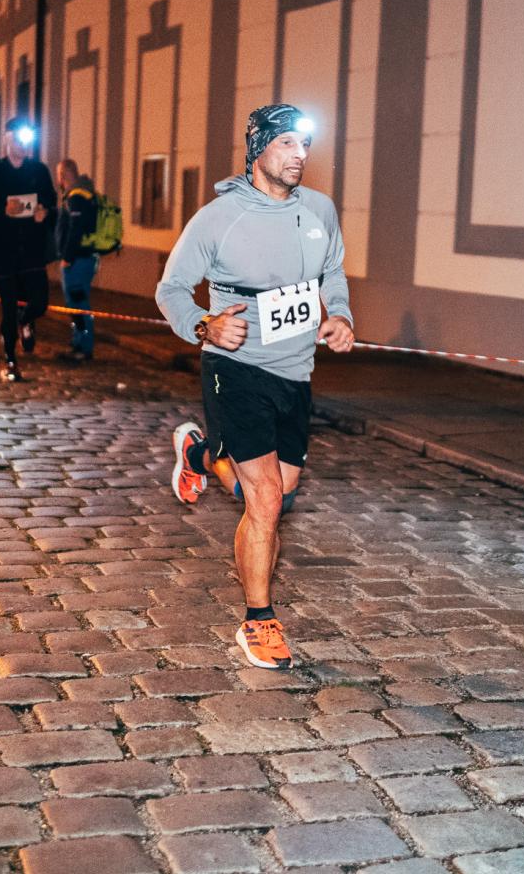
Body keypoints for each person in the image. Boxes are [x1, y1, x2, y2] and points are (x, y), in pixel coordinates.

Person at [155, 104, 355, 670]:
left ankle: (198, 453)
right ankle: (259, 622)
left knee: (274, 495)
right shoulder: (218, 218)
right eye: (287, 142)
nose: (300, 154)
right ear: (258, 148)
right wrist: (206, 325)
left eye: (305, 144)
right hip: (234, 368)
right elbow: (171, 290)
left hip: (295, 373)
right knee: (264, 500)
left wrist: (340, 314)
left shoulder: (319, 210)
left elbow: (332, 273)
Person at [0, 117, 57, 382]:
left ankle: (25, 319)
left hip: (32, 252)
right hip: (3, 252)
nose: (22, 144)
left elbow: (52, 206)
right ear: (6, 139)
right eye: (17, 138)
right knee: (8, 308)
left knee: (39, 302)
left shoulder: (39, 171)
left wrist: (44, 213)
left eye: (26, 139)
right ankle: (10, 360)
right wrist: (2, 211)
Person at [53, 158, 105, 362]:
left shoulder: (77, 196)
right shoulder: (84, 193)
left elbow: (75, 230)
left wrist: (67, 257)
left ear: (64, 175)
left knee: (78, 303)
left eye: (59, 174)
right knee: (75, 303)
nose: (58, 179)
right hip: (83, 258)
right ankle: (78, 342)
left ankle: (84, 346)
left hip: (78, 260)